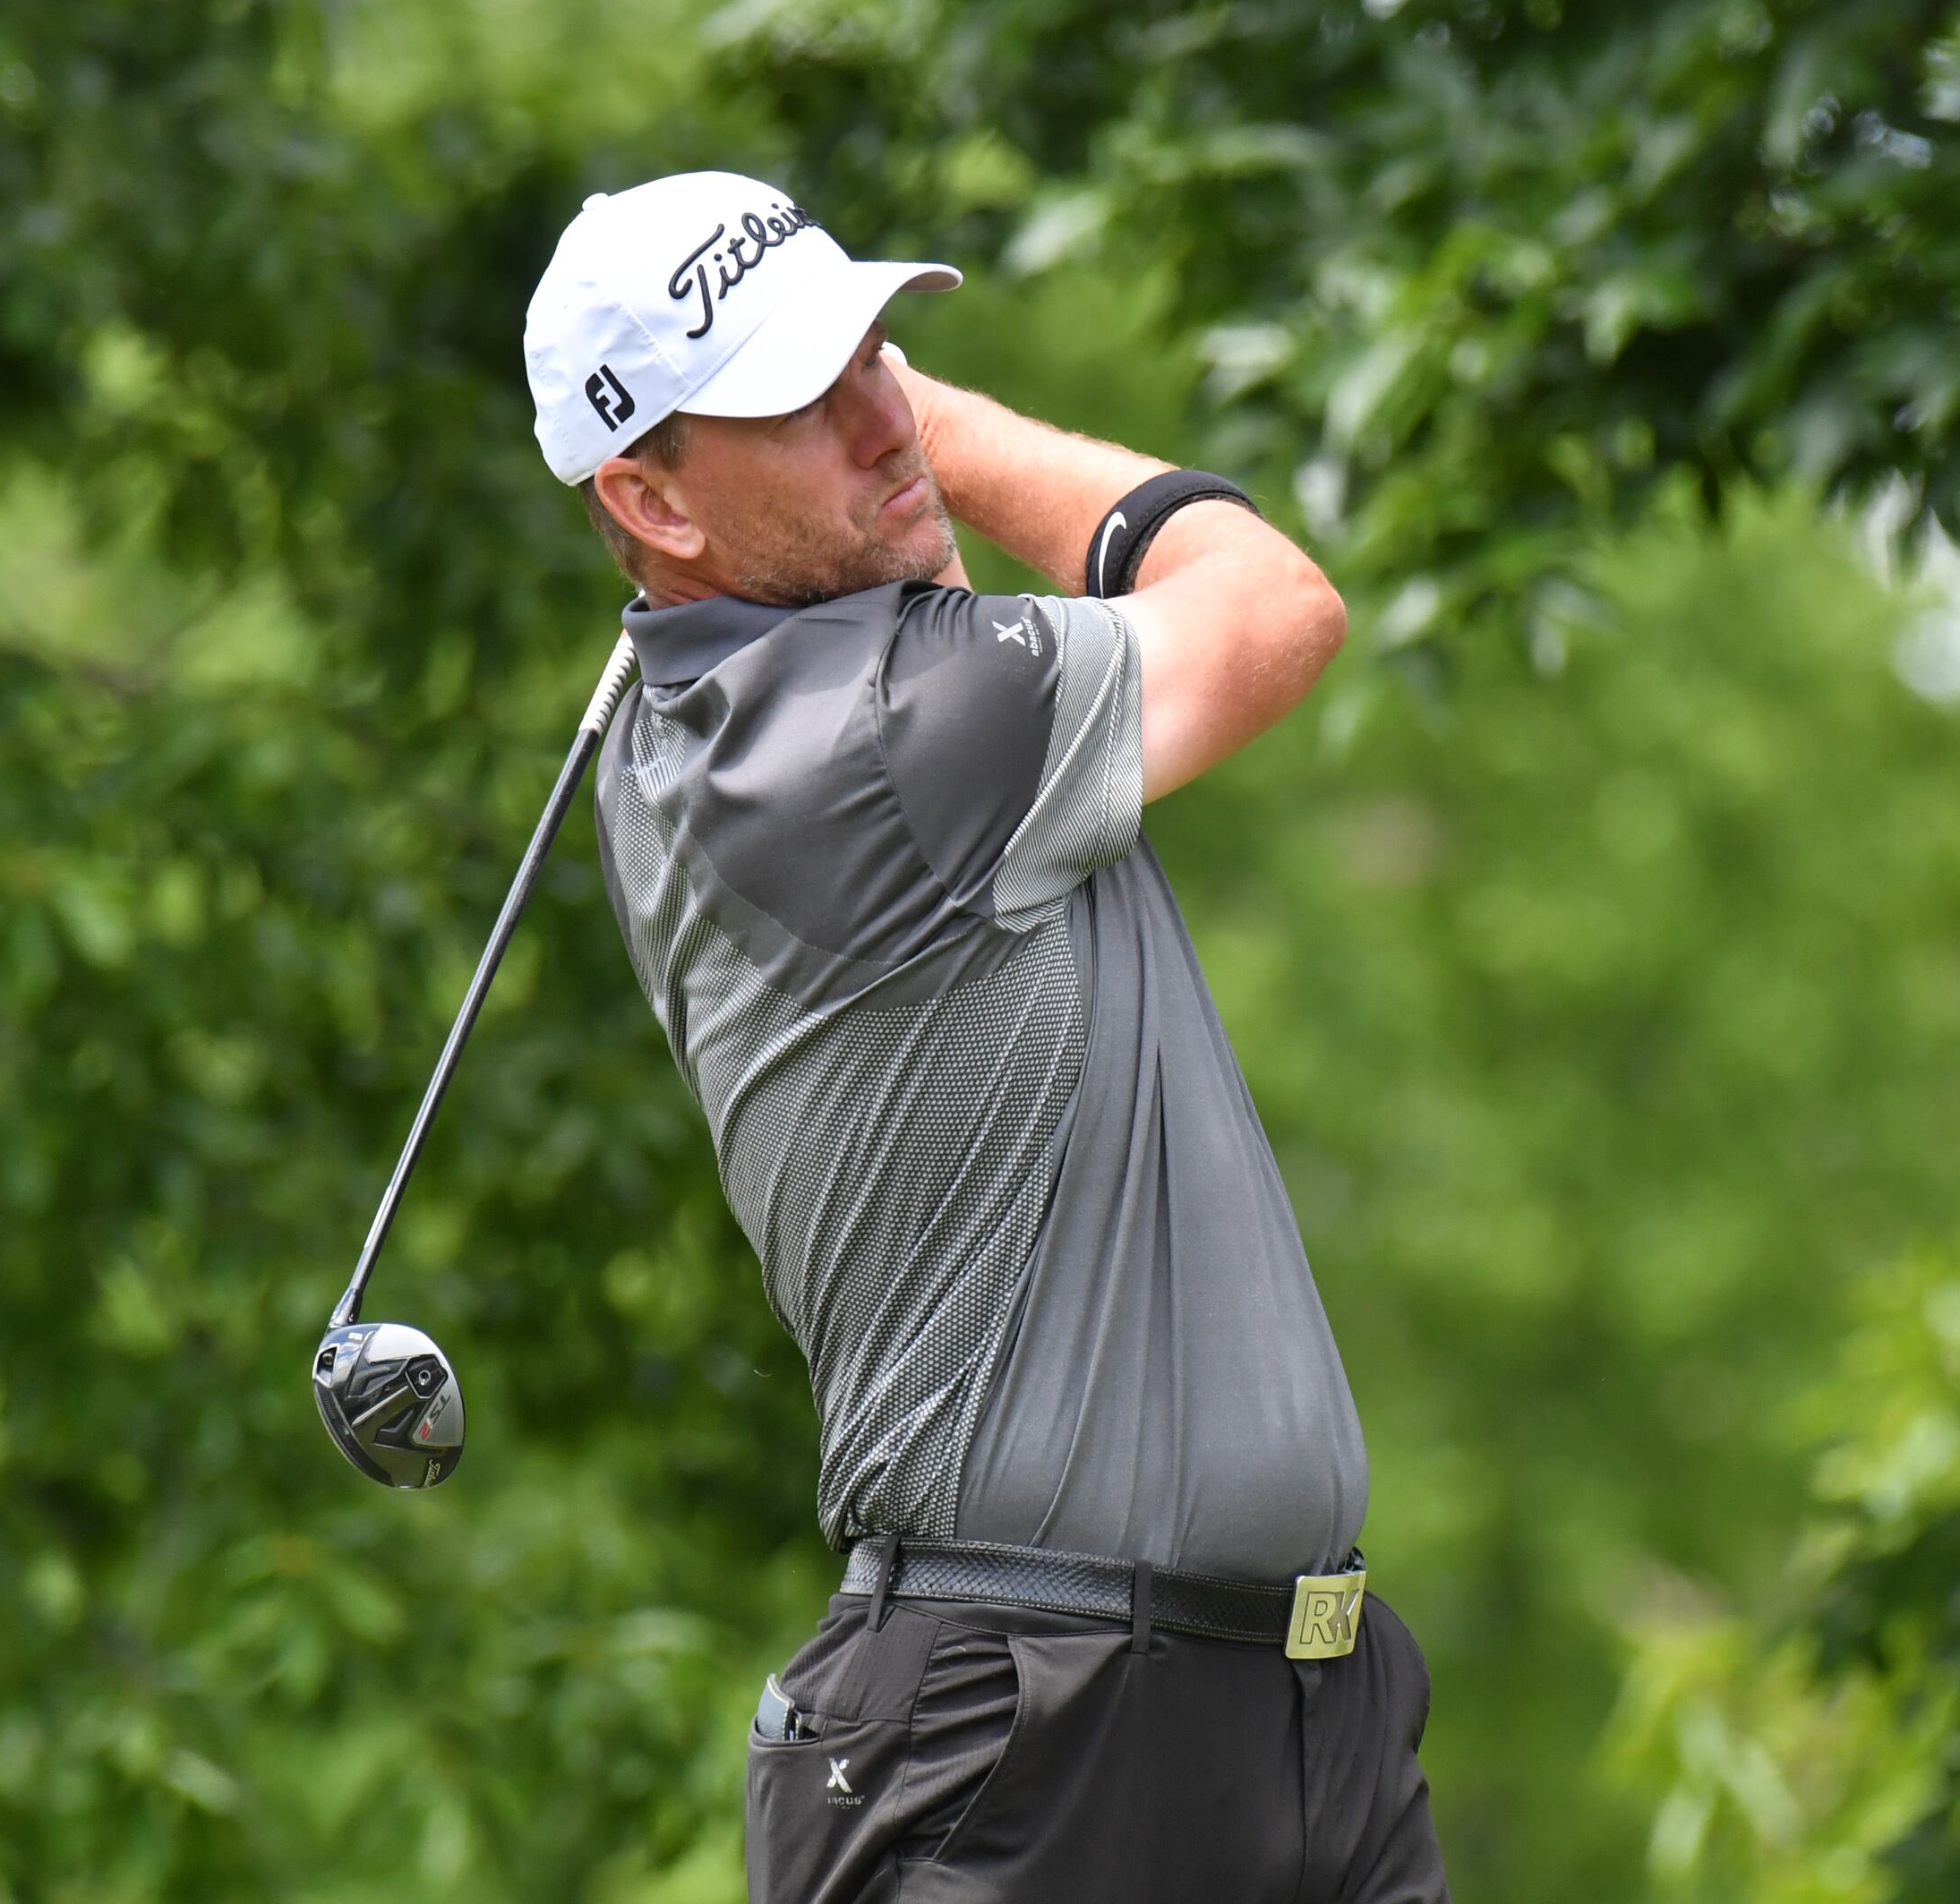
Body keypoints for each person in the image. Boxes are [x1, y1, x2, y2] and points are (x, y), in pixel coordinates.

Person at [525, 170, 1445, 1901]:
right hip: (1023, 1739)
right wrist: (945, 423)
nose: (883, 419)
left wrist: (852, 412)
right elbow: (1269, 607)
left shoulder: (811, 691)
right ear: (650, 496)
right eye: (804, 398)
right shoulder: (855, 734)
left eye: (882, 353)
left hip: (1296, 1715)